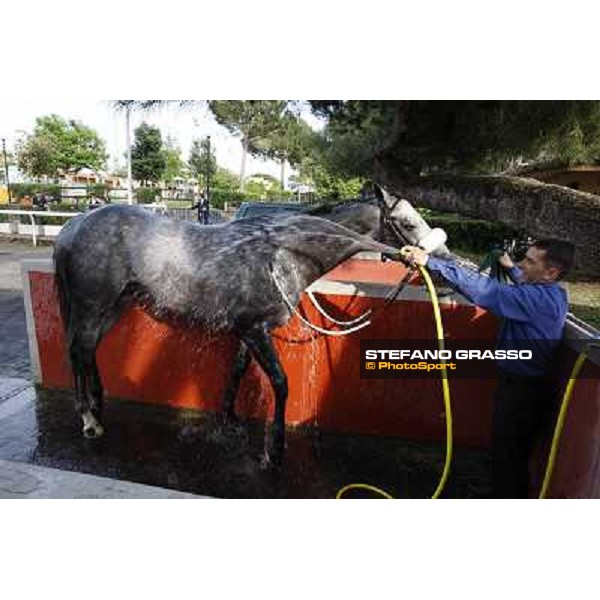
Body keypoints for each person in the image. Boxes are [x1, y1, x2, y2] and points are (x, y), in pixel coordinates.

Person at [401, 239, 575, 498]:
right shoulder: (553, 292)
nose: (520, 265)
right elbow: (523, 282)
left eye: (529, 261)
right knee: (506, 451)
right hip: (525, 387)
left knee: (510, 458)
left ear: (551, 272)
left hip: (523, 392)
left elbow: (485, 290)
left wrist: (430, 262)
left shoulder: (535, 300)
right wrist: (510, 268)